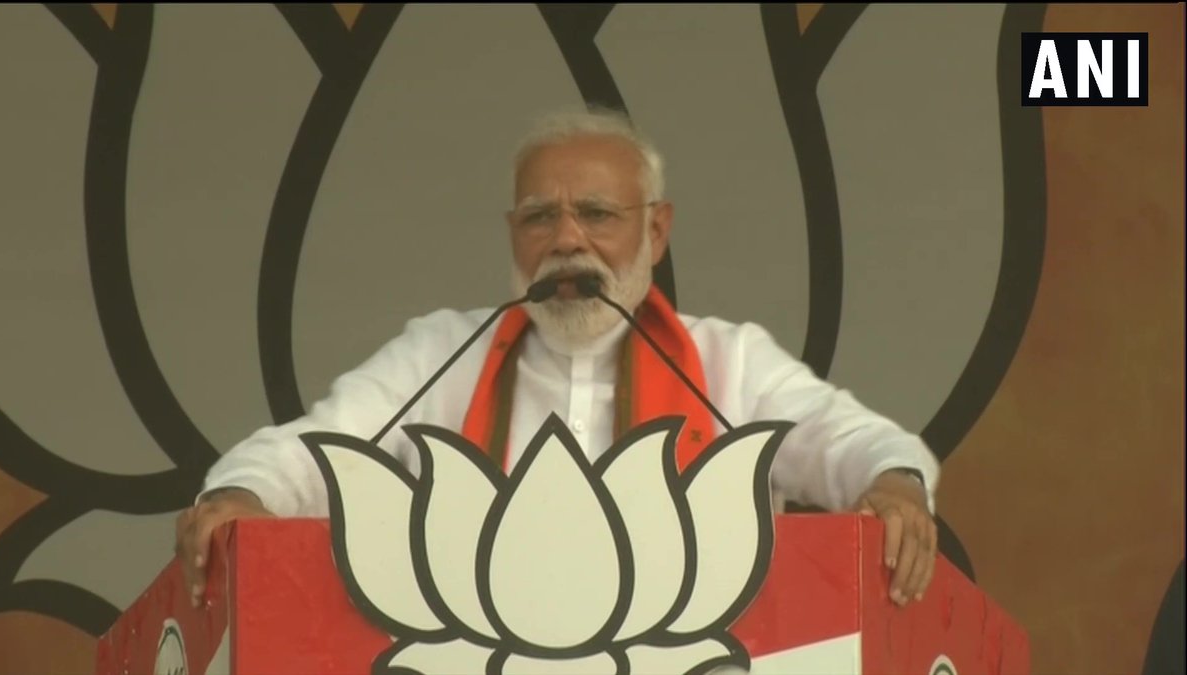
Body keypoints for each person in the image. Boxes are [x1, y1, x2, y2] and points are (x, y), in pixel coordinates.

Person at [175, 107, 941, 614]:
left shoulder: (726, 360)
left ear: (658, 232)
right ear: (514, 233)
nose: (567, 239)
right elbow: (314, 449)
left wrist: (895, 486)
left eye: (598, 214)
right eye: (540, 217)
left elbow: (860, 444)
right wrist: (244, 494)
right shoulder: (444, 352)